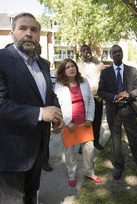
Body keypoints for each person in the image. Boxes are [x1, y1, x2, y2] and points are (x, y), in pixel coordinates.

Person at [0, 12, 63, 203]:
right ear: (12, 33)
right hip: (9, 151)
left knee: (32, 196)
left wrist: (57, 113)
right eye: (22, 28)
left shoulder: (43, 64)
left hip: (37, 147)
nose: (28, 33)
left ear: (39, 34)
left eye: (34, 29)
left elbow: (49, 95)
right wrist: (40, 113)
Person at [97, 44, 137, 192]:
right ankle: (119, 165)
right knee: (116, 140)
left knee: (135, 141)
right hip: (114, 110)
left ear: (122, 53)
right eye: (114, 52)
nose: (117, 54)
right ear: (111, 55)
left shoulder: (131, 71)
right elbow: (101, 91)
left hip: (128, 109)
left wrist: (129, 95)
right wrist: (114, 96)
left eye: (119, 51)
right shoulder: (105, 74)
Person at [54, 58, 103, 187]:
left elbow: (91, 101)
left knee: (89, 149)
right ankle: (72, 173)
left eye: (73, 66)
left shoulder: (84, 81)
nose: (71, 69)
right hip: (69, 124)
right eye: (68, 67)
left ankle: (89, 172)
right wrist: (66, 121)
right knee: (69, 152)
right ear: (63, 71)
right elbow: (58, 105)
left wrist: (90, 118)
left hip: (85, 123)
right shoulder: (59, 84)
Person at [78, 45, 105, 151]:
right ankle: (83, 144)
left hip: (97, 97)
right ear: (81, 53)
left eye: (88, 50)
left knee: (97, 121)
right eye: (84, 51)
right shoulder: (78, 65)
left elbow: (104, 80)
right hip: (83, 98)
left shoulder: (100, 64)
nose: (87, 52)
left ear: (91, 51)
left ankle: (96, 141)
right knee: (84, 122)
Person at [36, 44, 53, 172]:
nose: (38, 50)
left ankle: (45, 161)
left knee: (45, 138)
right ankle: (36, 161)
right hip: (31, 110)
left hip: (47, 109)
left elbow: (49, 88)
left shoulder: (45, 63)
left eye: (39, 48)